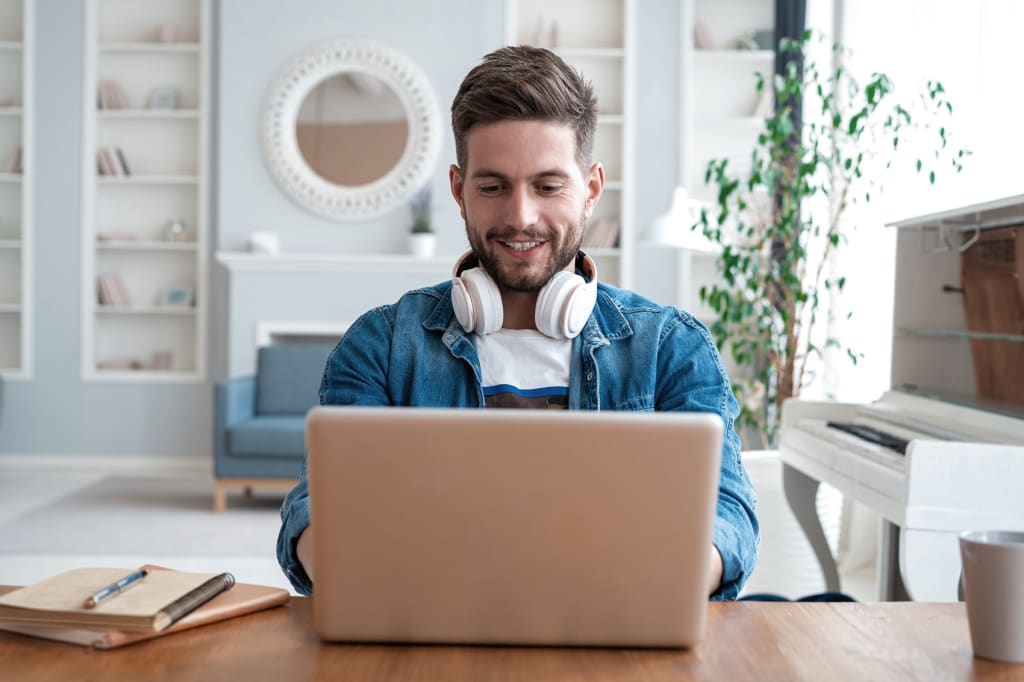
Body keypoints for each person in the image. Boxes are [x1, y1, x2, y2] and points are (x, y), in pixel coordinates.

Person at [277, 45, 759, 600]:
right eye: (493, 186)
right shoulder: (381, 346)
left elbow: (729, 513)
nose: (520, 216)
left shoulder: (672, 348)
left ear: (591, 191)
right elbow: (319, 506)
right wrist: (343, 558)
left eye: (548, 186)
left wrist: (654, 588)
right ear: (460, 191)